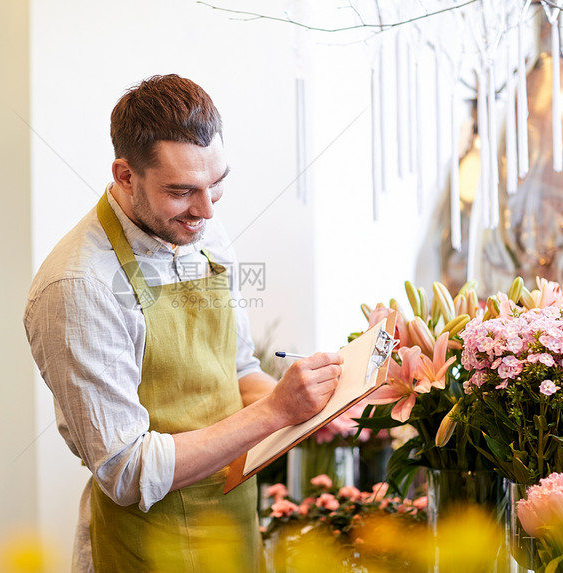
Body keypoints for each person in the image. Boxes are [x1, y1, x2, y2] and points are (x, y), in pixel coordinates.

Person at [23, 74, 343, 572]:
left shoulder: (199, 231)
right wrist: (276, 412)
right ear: (126, 176)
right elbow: (126, 470)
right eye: (182, 191)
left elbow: (236, 374)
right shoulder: (78, 285)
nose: (207, 209)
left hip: (233, 529)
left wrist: (317, 407)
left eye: (217, 185)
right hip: (146, 547)